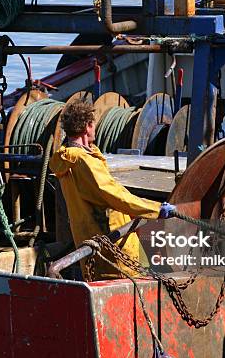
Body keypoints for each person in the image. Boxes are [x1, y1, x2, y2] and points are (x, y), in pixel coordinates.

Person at [49, 100, 176, 280]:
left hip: (90, 246)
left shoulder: (65, 160)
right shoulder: (85, 161)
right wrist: (156, 210)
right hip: (115, 249)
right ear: (88, 126)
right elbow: (116, 196)